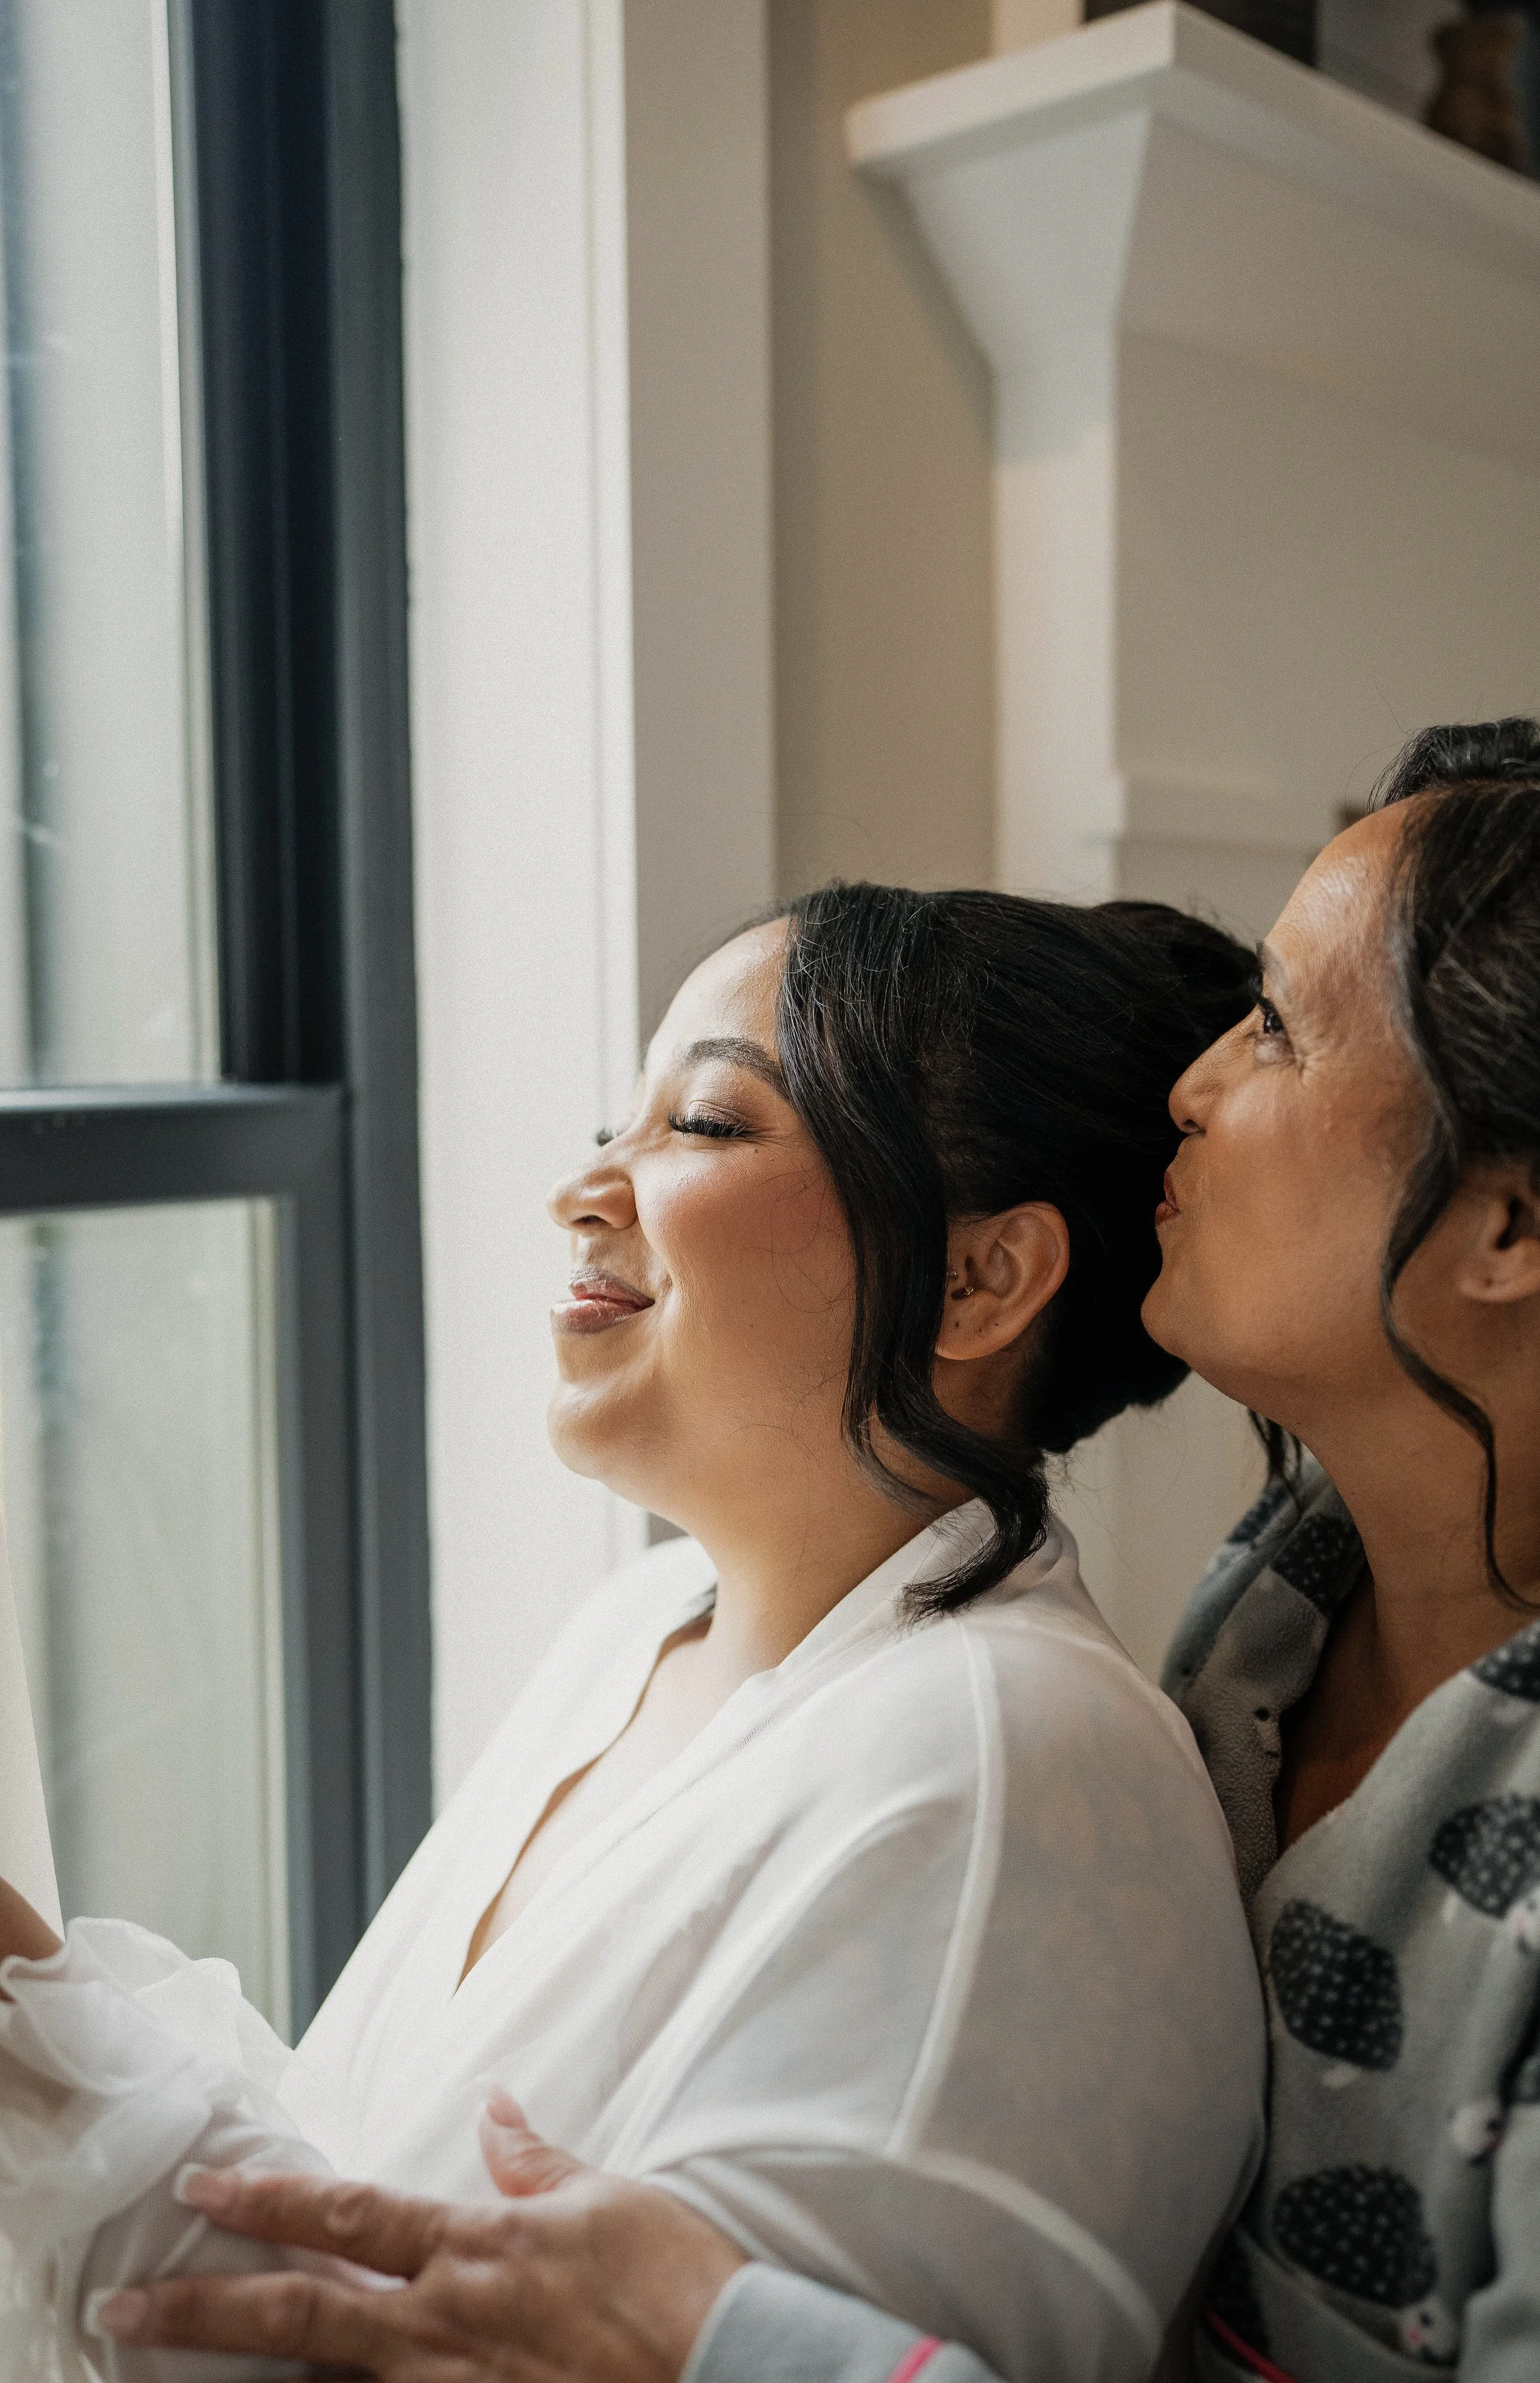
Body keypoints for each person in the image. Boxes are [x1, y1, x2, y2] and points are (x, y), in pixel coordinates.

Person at [99, 715, 1540, 2383]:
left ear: (1517, 1221)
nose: (1193, 1085)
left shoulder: (1022, 1745)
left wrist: (737, 2341)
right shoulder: (1270, 1619)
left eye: (1278, 1030)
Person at [0, 884, 1265, 2383]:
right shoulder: (645, 1627)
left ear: (981, 1278)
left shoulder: (1008, 1769)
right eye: (623, 1117)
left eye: (709, 1124)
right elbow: (377, 2266)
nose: (586, 1187)